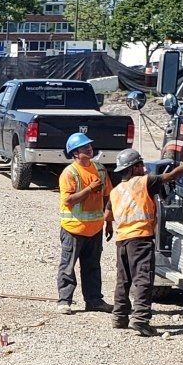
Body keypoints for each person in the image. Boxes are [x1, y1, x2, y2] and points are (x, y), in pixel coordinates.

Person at [105, 145, 183, 336]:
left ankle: (119, 317)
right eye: (140, 164)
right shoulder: (144, 182)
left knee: (124, 280)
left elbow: (107, 215)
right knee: (143, 279)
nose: (144, 167)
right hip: (141, 239)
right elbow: (172, 176)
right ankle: (140, 319)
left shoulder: (116, 191)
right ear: (134, 167)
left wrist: (110, 227)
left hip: (122, 241)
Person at [54, 131, 110, 314]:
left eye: (90, 146)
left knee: (92, 266)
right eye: (85, 147)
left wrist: (108, 221)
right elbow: (68, 201)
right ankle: (64, 300)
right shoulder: (69, 173)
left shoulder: (100, 169)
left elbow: (108, 195)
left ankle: (94, 301)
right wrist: (89, 189)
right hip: (73, 230)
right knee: (68, 266)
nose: (90, 149)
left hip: (95, 229)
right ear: (75, 153)